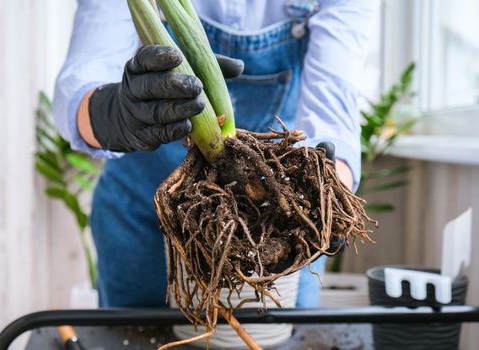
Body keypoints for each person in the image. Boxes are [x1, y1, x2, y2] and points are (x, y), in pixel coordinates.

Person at [54, 0, 377, 308]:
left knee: (282, 336)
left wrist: (326, 201)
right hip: (143, 214)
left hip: (282, 216)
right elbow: (84, 76)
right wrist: (110, 112)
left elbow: (333, 107)